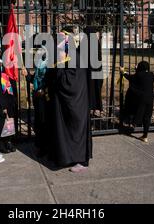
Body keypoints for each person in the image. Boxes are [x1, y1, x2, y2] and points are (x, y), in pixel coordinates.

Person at [46, 31, 92, 173]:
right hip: (66, 104)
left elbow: (69, 82)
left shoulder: (75, 58)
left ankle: (81, 161)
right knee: (67, 132)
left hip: (75, 104)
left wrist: (58, 66)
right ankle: (68, 157)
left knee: (76, 131)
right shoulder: (67, 57)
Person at [22, 45, 49, 157]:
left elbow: (51, 80)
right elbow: (35, 79)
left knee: (44, 122)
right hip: (37, 97)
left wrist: (44, 90)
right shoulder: (39, 65)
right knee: (38, 121)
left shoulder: (50, 65)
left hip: (46, 98)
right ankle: (40, 145)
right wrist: (27, 75)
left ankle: (45, 147)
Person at [120, 61, 154, 143]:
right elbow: (141, 79)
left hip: (141, 98)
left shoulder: (138, 75)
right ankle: (145, 136)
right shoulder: (151, 75)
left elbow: (130, 78)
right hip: (150, 98)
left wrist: (123, 72)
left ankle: (134, 122)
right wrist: (137, 70)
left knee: (138, 109)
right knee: (147, 117)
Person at [84, 26, 103, 116]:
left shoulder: (84, 42)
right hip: (97, 69)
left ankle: (89, 108)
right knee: (96, 88)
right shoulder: (96, 42)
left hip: (87, 71)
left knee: (88, 89)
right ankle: (96, 108)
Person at [0, 71, 17, 154]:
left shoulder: (11, 74)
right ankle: (2, 143)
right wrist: (3, 106)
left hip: (10, 102)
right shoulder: (0, 74)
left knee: (9, 123)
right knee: (3, 122)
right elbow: (1, 90)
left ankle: (9, 142)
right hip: (3, 102)